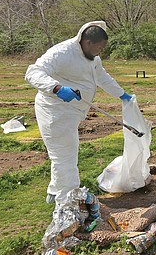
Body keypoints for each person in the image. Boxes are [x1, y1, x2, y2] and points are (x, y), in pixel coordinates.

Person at [25, 21, 133, 204]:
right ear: (87, 42)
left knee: (62, 153)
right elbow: (33, 72)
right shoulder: (62, 53)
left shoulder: (93, 58)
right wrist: (56, 88)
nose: (101, 51)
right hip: (55, 111)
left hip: (71, 111)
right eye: (99, 47)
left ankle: (54, 192)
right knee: (65, 155)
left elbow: (103, 78)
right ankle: (68, 201)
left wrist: (122, 94)